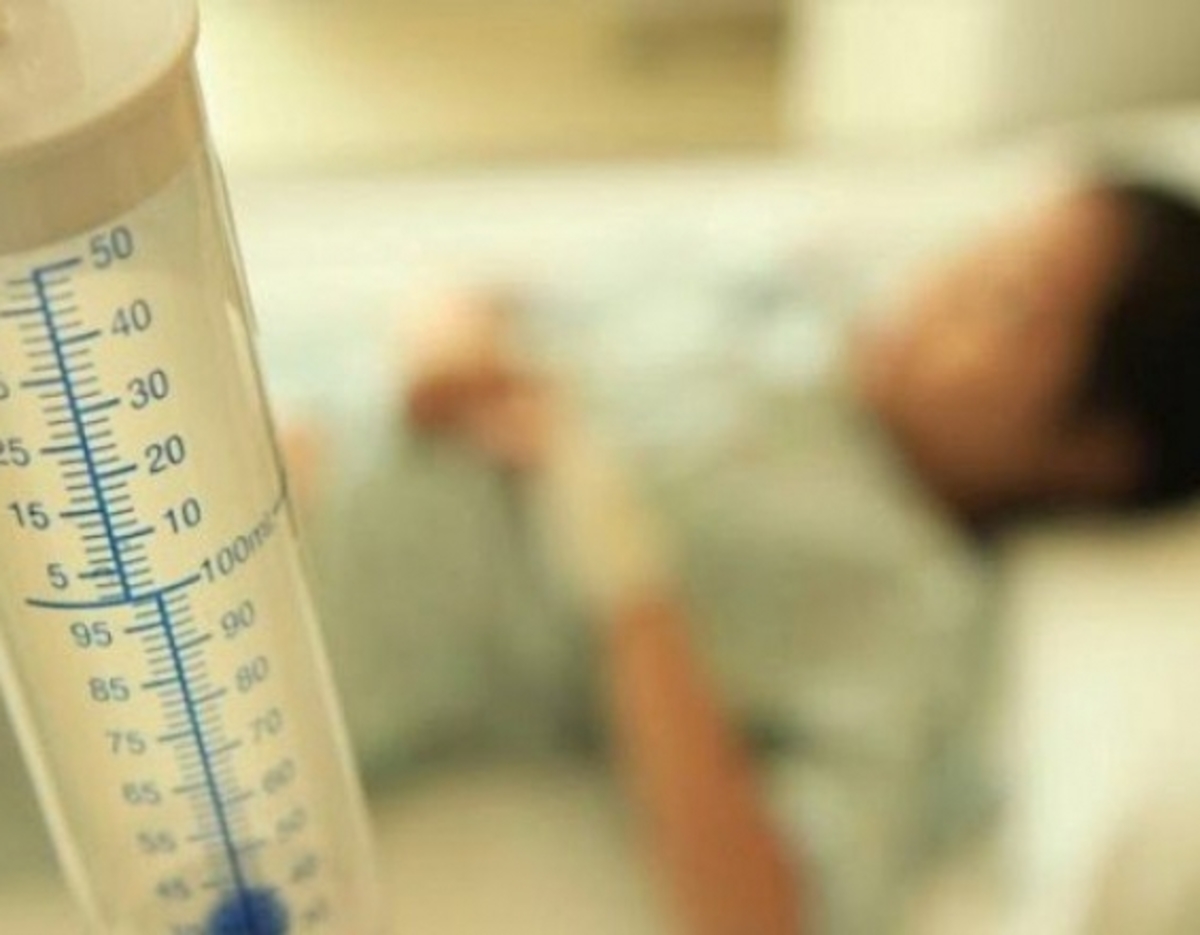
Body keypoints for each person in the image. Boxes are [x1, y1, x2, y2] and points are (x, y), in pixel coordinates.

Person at [290, 177, 1200, 934]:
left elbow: (767, 913)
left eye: (1011, 300)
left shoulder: (902, 607)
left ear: (1092, 456)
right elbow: (498, 287)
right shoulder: (784, 287)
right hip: (294, 391)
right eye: (992, 242)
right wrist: (446, 332)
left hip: (295, 630)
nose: (950, 278)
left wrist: (630, 584)